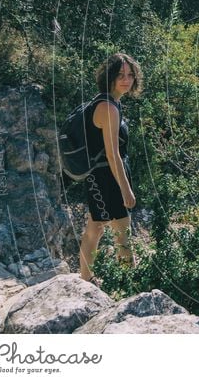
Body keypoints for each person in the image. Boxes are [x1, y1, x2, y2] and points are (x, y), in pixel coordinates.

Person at [78, 52, 143, 284]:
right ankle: (129, 287)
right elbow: (112, 153)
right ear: (110, 77)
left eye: (130, 75)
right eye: (120, 75)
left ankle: (85, 282)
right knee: (123, 235)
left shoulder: (105, 102)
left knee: (95, 228)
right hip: (109, 177)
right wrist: (126, 190)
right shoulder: (109, 108)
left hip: (98, 175)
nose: (126, 80)